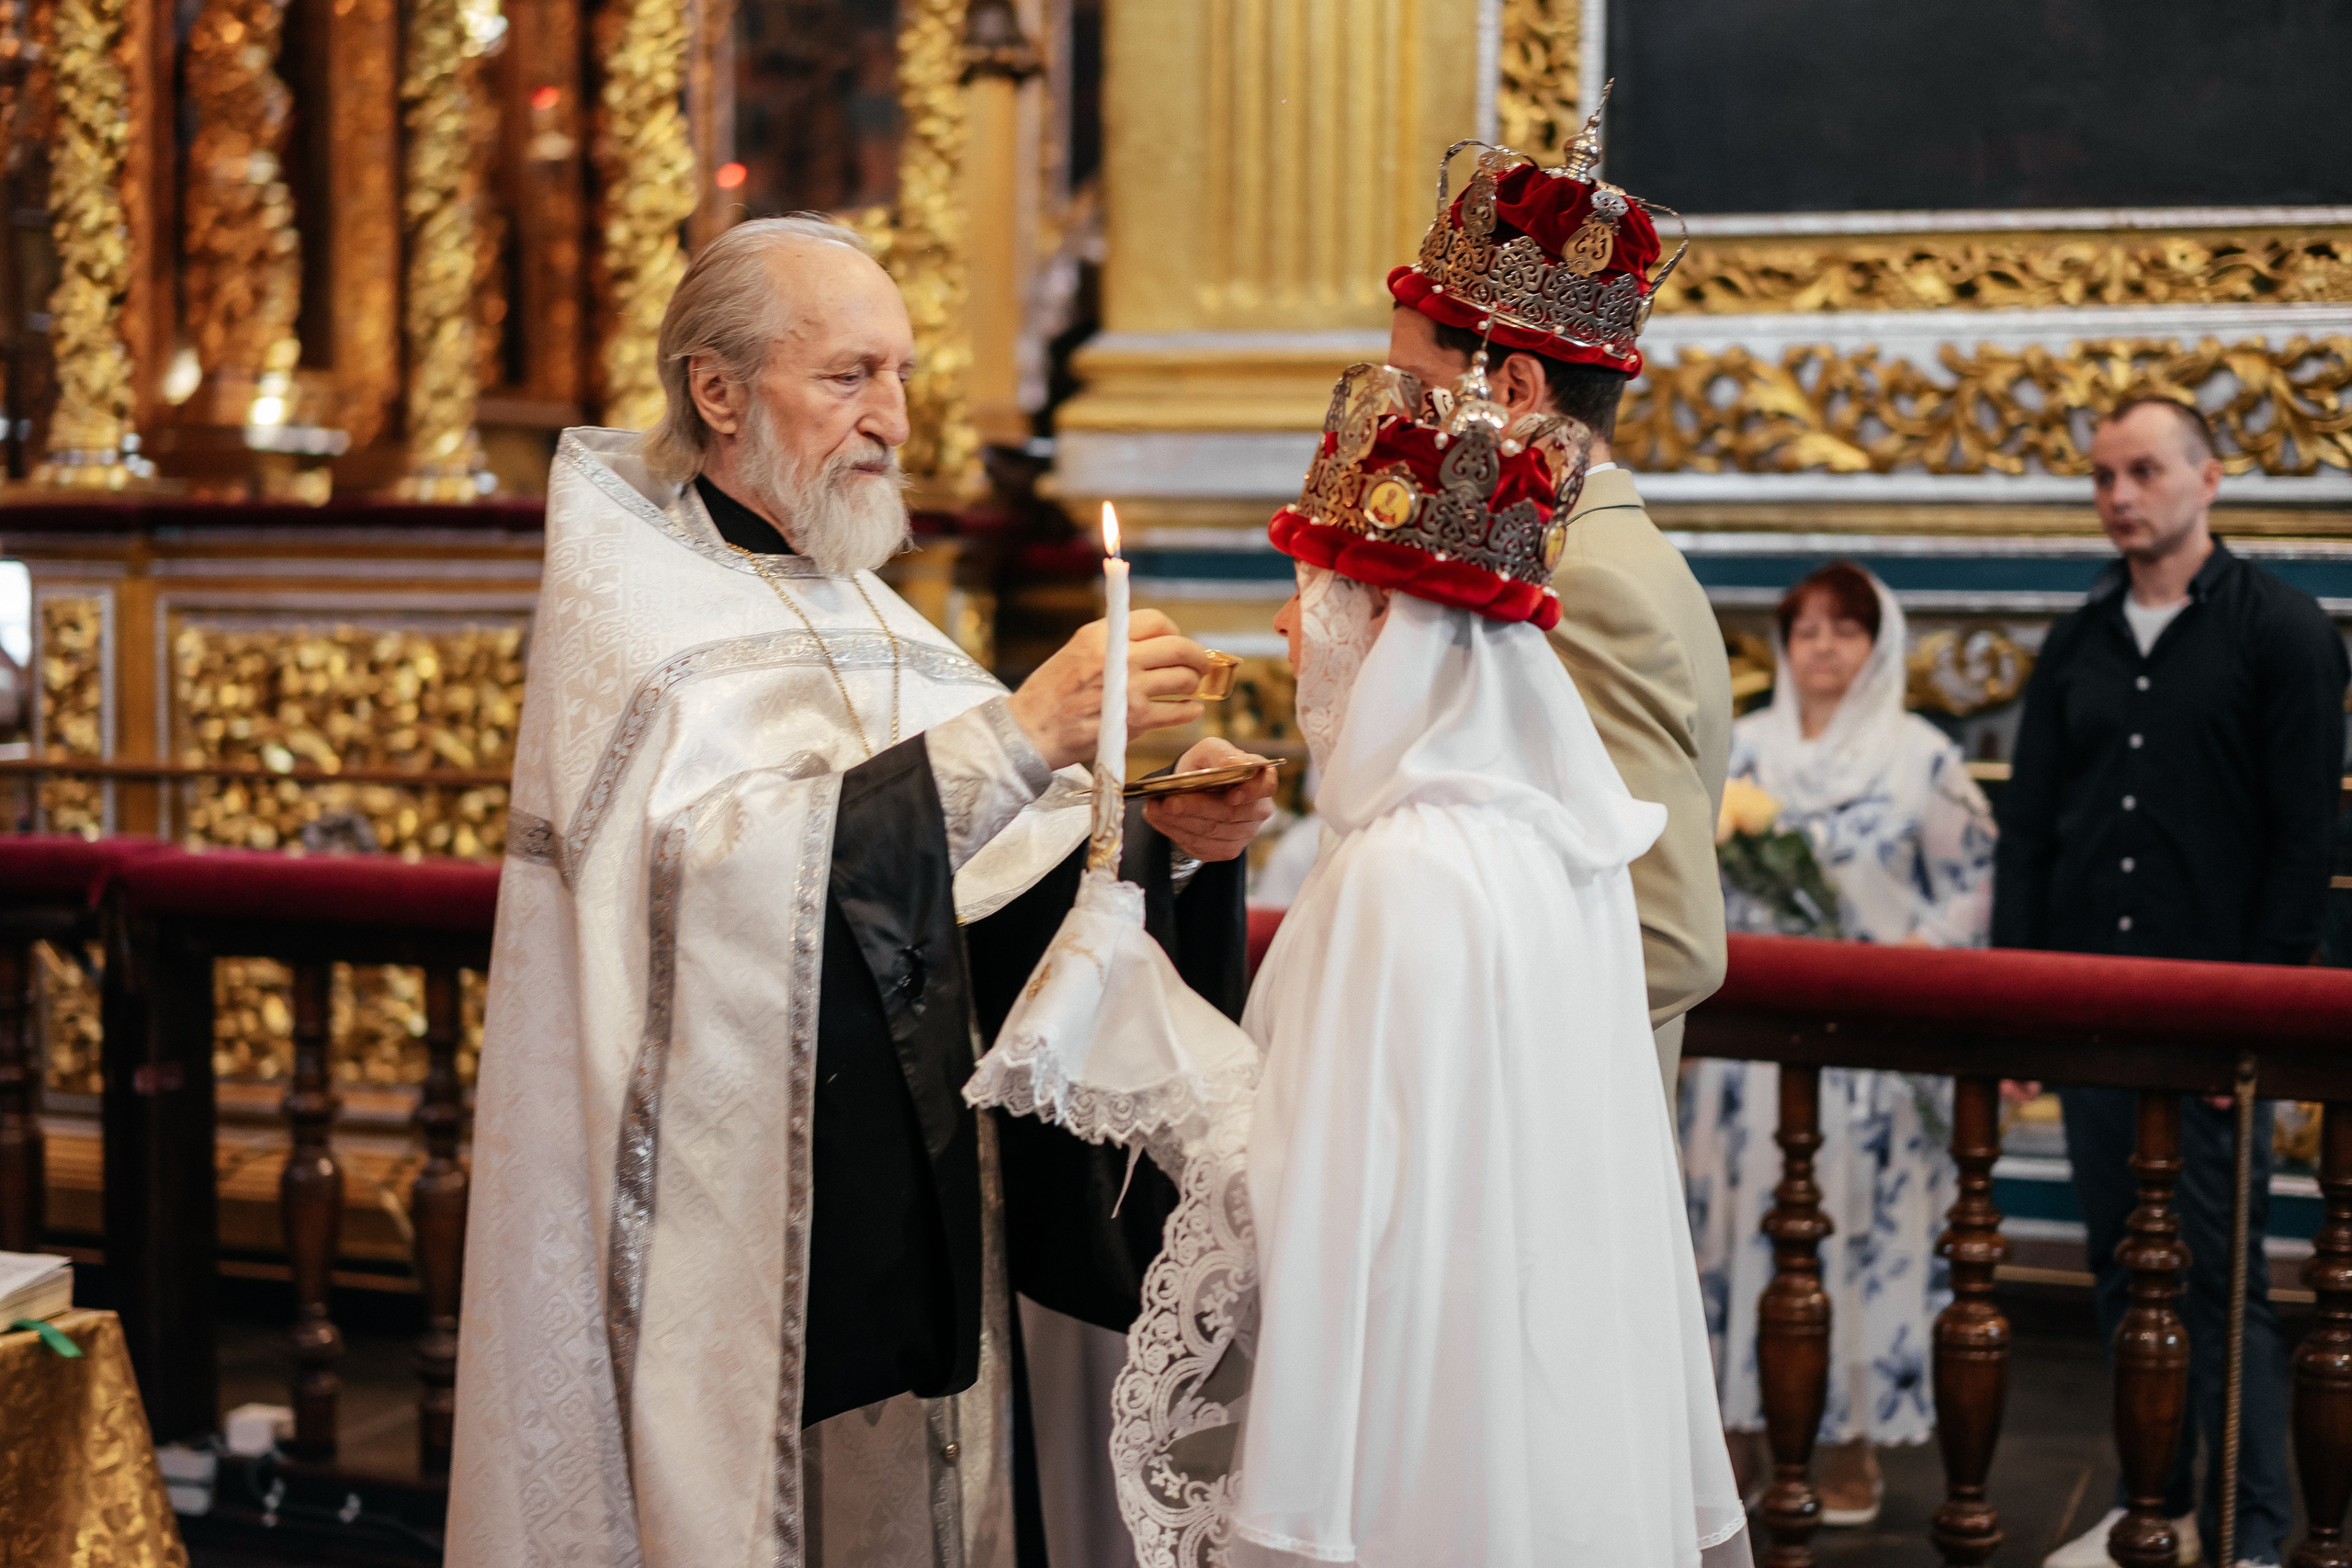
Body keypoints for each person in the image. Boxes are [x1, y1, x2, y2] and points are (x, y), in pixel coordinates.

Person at [446, 215, 1275, 1568]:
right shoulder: (650, 623)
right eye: (846, 376)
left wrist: (1165, 841)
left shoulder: (868, 612)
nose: (889, 417)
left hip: (903, 1206)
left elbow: (978, 890)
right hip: (725, 1238)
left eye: (896, 375)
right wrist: (1023, 737)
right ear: (717, 391)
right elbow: (717, 900)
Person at [967, 348, 1749, 1567]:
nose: (1288, 625)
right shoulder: (1550, 838)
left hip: (1407, 1443)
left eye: (1312, 594)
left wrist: (1135, 1023)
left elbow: (1306, 1213)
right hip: (1519, 1408)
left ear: (1392, 620)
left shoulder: (1404, 869)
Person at [1996, 396, 2350, 1568]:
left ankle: (2249, 1532)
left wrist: (2252, 1014)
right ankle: (2157, 1506)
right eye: (2102, 476)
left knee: (2220, 1283)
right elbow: (2032, 836)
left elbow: (2306, 845)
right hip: (2095, 1018)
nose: (2117, 495)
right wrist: (2015, 1014)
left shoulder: (2285, 632)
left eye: (2143, 471)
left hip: (2216, 1022)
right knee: (2116, 1273)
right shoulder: (2077, 643)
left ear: (2209, 479)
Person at [1380, 100, 1733, 1103]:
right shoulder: (1597, 554)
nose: (1400, 420)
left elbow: (1669, 938)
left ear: (1519, 389)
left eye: (1417, 386)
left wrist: (1437, 1037)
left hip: (1548, 1124)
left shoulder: (1585, 582)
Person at [1679, 560, 1996, 1526]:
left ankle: (1844, 1438)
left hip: (1868, 1052)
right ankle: (1726, 1433)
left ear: (1878, 644)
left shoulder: (1922, 757)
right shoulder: (1743, 752)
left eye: (1843, 629)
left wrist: (1908, 959)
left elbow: (1970, 886)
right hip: (1743, 1056)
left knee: (1856, 1244)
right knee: (1728, 1241)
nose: (1821, 646)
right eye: (1805, 628)